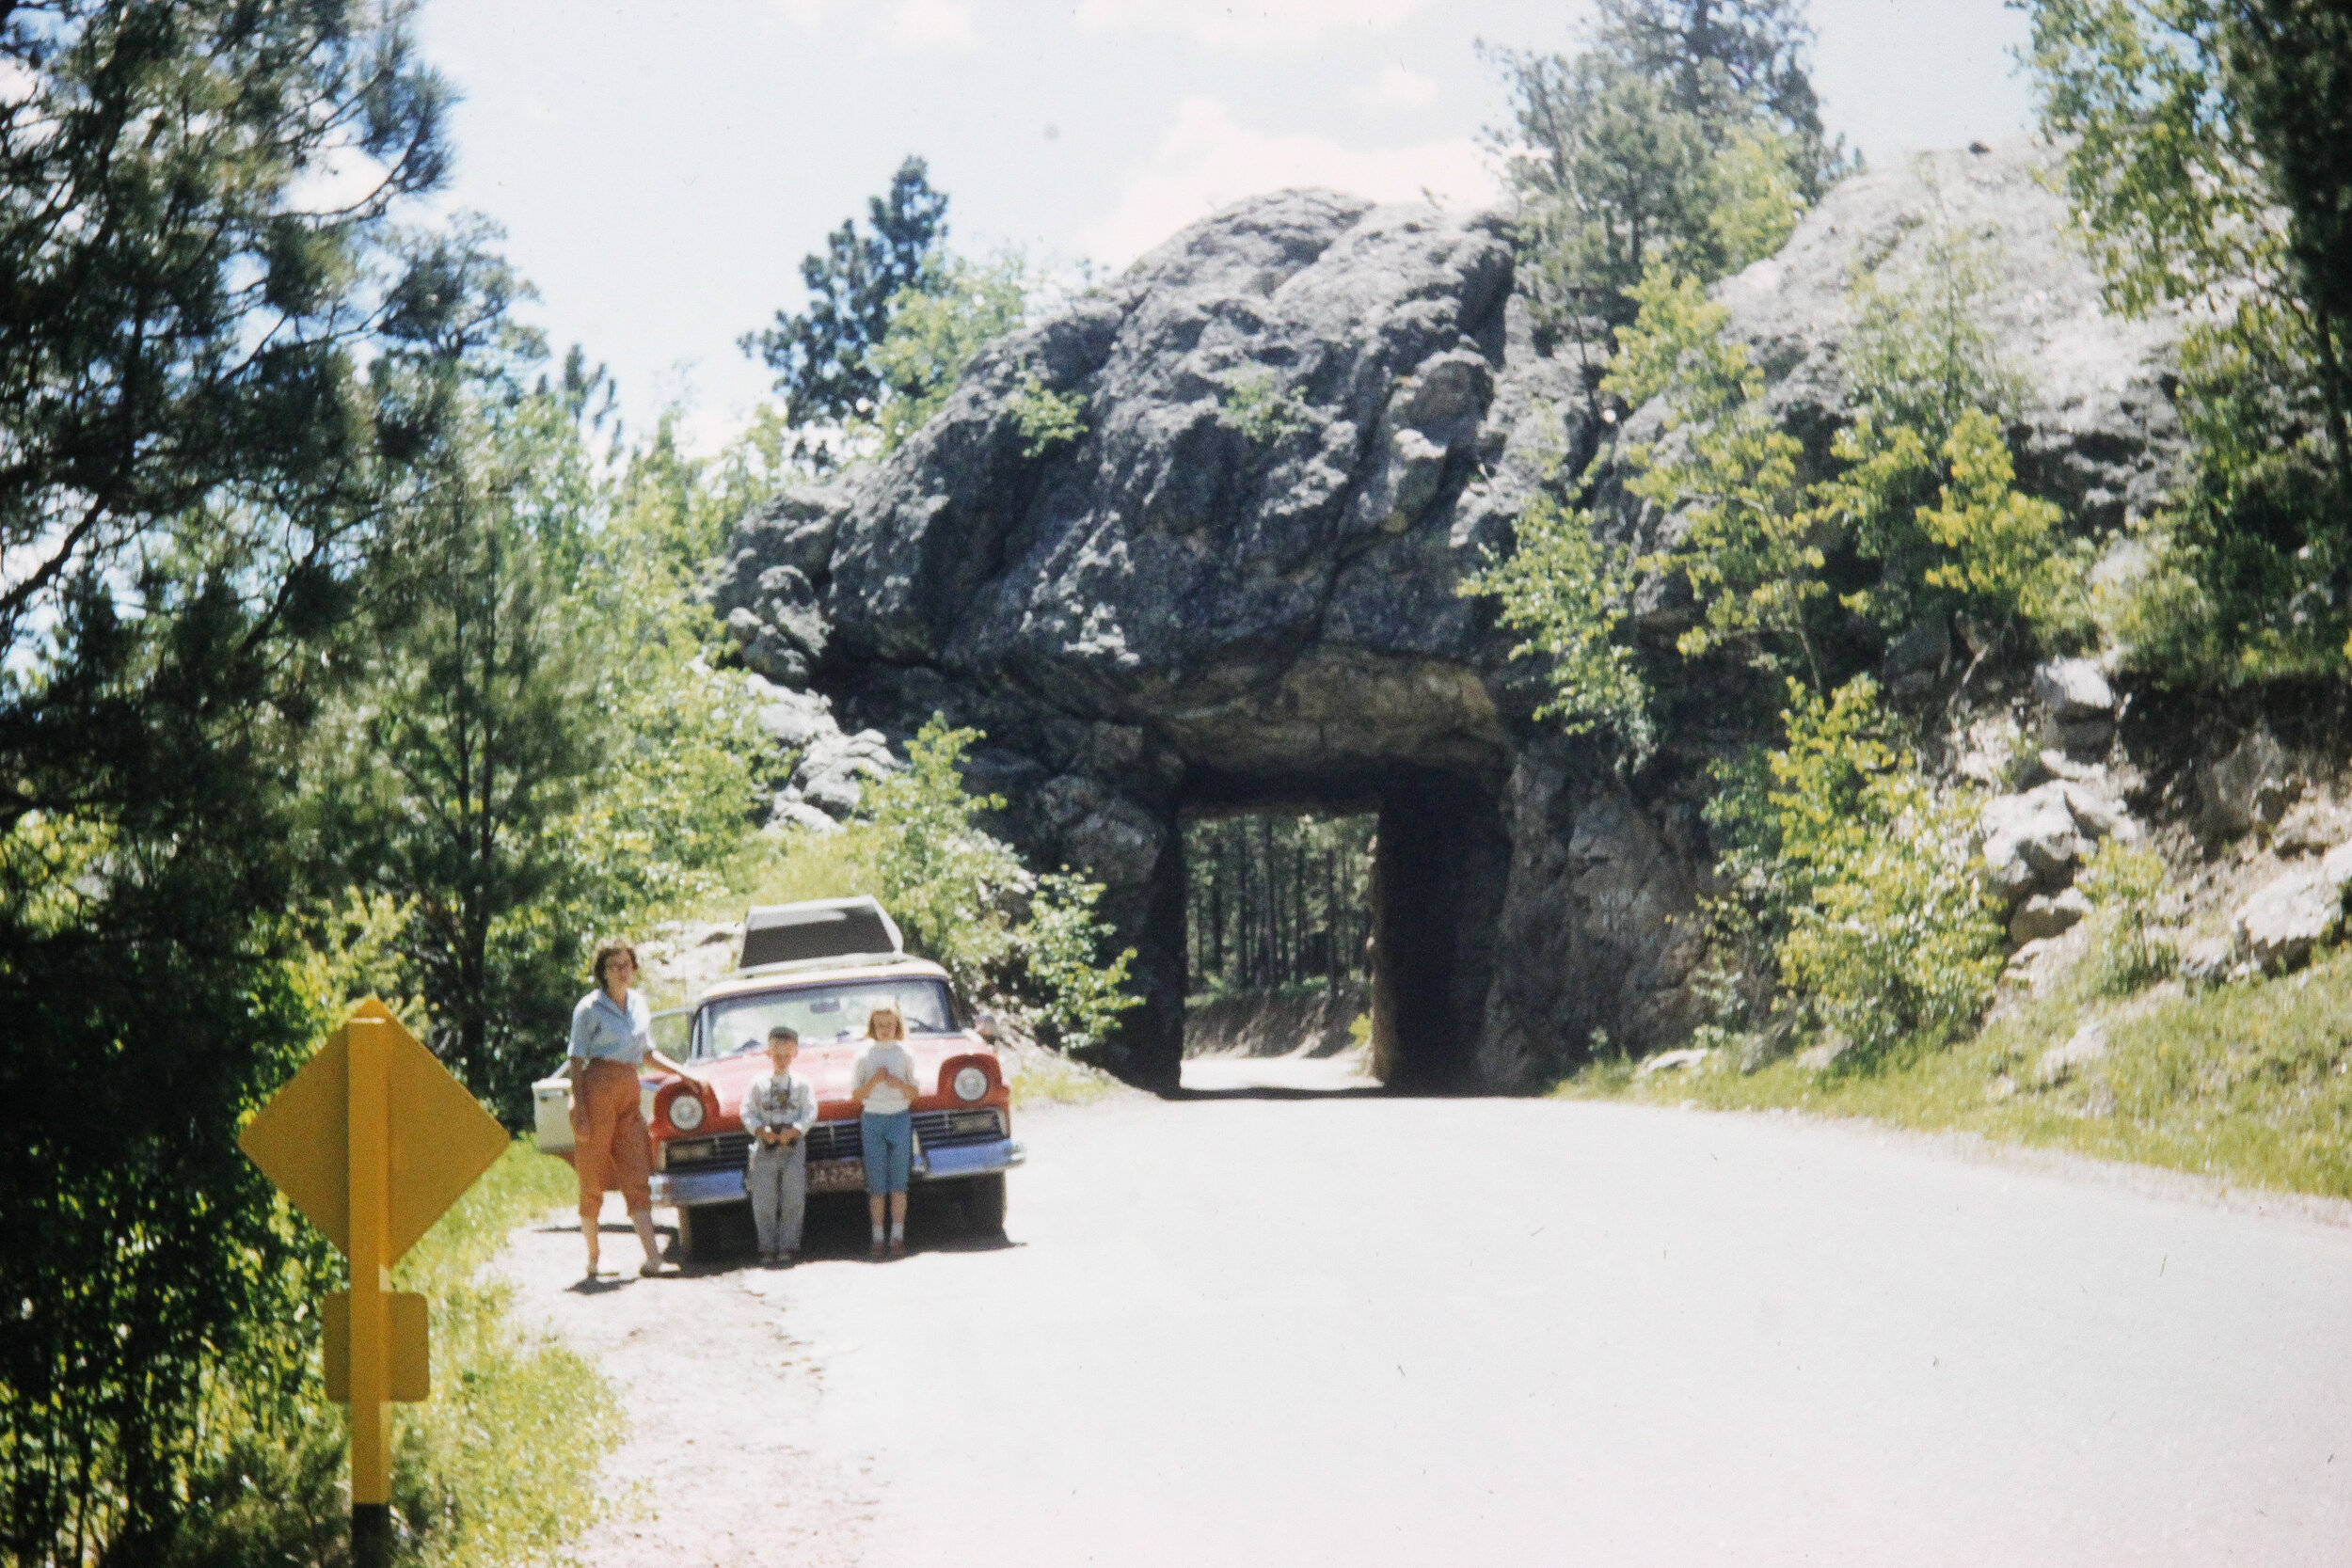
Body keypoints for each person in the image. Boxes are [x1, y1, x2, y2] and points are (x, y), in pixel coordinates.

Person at [568, 939, 700, 1280]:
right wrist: (578, 1104)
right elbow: (576, 1058)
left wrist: (684, 1072)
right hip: (597, 1085)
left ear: (634, 967)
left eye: (626, 964)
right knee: (593, 1170)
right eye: (613, 966)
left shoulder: (639, 1003)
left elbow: (647, 1053)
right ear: (602, 972)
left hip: (629, 1086)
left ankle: (653, 1257)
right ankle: (594, 1257)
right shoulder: (589, 1008)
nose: (621, 971)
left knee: (636, 1167)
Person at [739, 1025, 817, 1265]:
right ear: (768, 1054)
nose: (781, 1060)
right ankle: (766, 1246)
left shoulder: (802, 1084)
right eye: (777, 1055)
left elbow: (811, 1110)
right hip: (766, 1146)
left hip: (793, 1145)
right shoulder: (758, 1083)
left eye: (786, 1055)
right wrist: (760, 1129)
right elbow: (747, 1111)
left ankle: (789, 1245)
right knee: (764, 1198)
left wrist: (797, 1129)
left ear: (795, 1053)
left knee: (793, 1197)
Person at [851, 1004, 922, 1258]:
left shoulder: (905, 1055)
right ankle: (877, 1238)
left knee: (899, 1184)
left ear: (897, 1026)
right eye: (879, 1026)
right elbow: (856, 1095)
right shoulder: (864, 1056)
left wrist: (898, 1083)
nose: (884, 1030)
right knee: (877, 1185)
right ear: (872, 1027)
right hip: (872, 1119)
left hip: (899, 1118)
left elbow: (915, 1093)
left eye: (889, 1025)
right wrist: (874, 1082)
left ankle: (897, 1237)